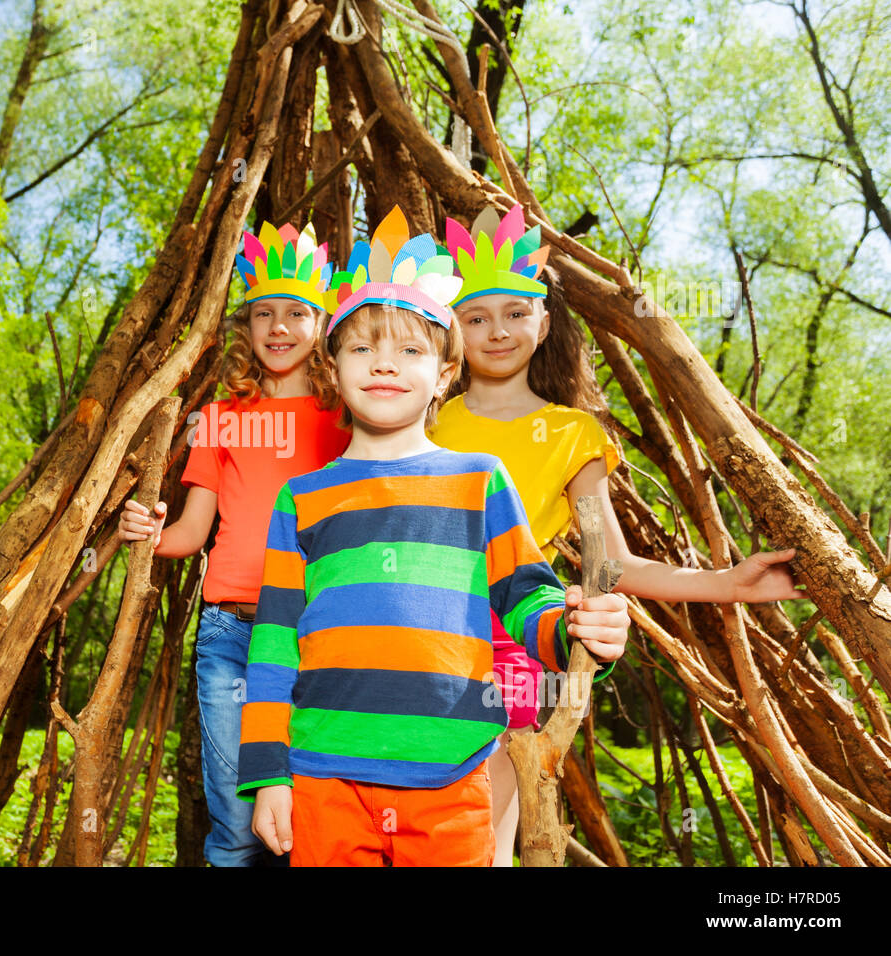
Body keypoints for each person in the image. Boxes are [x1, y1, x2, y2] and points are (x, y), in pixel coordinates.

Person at [234, 206, 632, 866]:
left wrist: (578, 632)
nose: (384, 364)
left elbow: (527, 598)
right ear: (332, 369)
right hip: (323, 776)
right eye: (362, 347)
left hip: (453, 771)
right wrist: (269, 773)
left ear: (444, 375)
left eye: (409, 349)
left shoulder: (481, 480)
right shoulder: (301, 501)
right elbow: (274, 643)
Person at [427, 203, 804, 865]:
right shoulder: (424, 417)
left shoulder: (575, 435)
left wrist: (728, 585)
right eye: (475, 316)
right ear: (452, 328)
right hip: (413, 626)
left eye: (515, 313)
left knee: (486, 830)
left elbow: (606, 566)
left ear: (543, 322)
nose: (497, 331)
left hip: (513, 629)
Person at [117, 220, 350, 866]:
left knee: (313, 821)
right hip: (231, 638)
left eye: (296, 313)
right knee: (238, 827)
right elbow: (195, 531)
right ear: (245, 327)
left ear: (322, 323)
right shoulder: (220, 418)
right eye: (264, 313)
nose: (279, 327)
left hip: (319, 635)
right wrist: (151, 532)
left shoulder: (347, 422)